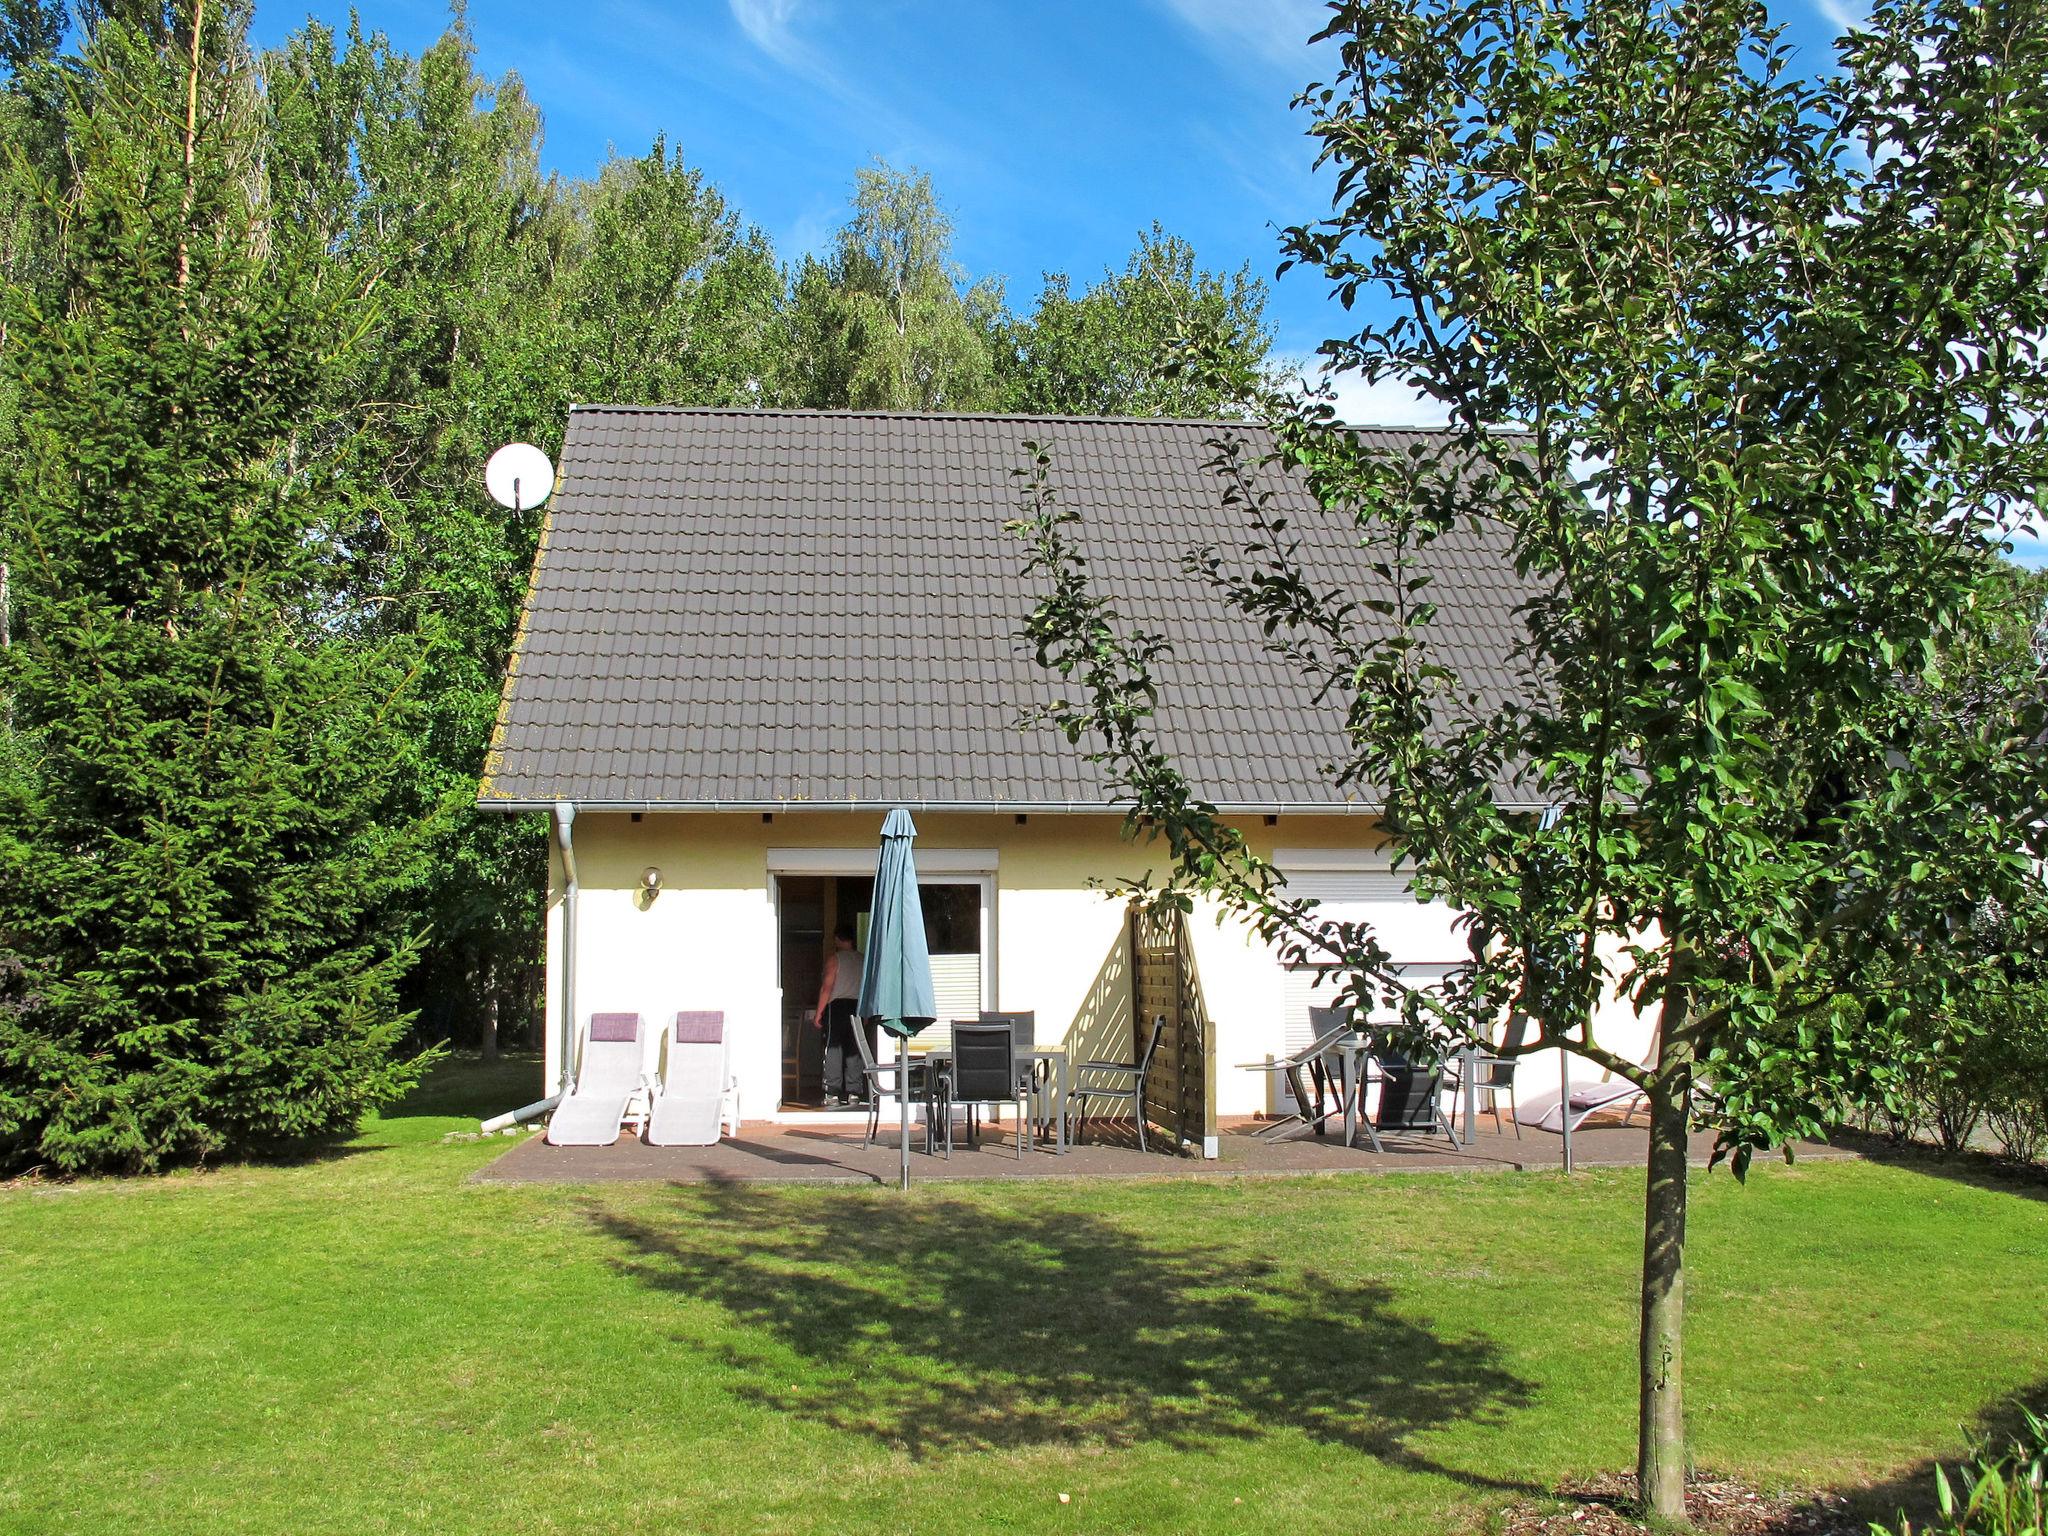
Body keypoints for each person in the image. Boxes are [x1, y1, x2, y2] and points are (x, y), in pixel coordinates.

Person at [812, 921, 870, 1106]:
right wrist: (867, 1012)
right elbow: (868, 988)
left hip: (837, 1007)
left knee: (834, 1048)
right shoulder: (862, 960)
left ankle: (832, 1092)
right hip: (858, 1006)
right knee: (855, 1048)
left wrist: (819, 1012)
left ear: (837, 938)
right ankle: (854, 1092)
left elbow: (827, 987)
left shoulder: (835, 959)